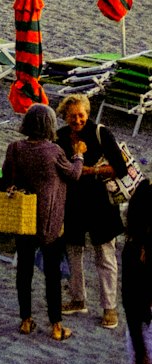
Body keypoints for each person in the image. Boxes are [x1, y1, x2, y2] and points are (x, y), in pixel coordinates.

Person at [0, 101, 83, 340]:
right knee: (52, 274)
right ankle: (56, 326)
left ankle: (26, 320)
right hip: (49, 220)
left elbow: (6, 176)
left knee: (23, 270)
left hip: (23, 216)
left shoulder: (15, 148)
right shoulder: (53, 152)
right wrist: (79, 155)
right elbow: (74, 175)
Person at [57, 92, 127, 328]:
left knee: (105, 254)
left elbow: (120, 168)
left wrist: (89, 171)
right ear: (65, 116)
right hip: (73, 202)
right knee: (74, 251)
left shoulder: (101, 133)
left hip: (100, 202)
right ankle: (78, 299)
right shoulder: (61, 136)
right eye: (72, 116)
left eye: (81, 115)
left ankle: (110, 308)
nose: (77, 120)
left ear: (88, 113)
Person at [120, 178, 152, 364]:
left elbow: (129, 304)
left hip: (142, 333)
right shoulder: (135, 253)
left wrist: (140, 354)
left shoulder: (132, 251)